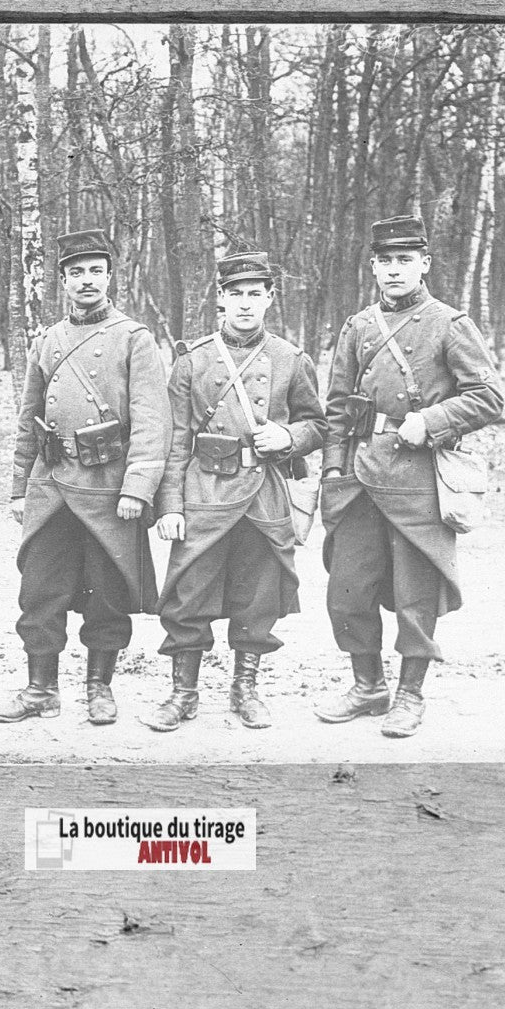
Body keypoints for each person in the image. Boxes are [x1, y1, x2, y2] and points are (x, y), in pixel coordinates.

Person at [314, 214, 505, 737]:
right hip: (357, 480)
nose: (394, 270)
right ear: (373, 267)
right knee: (347, 591)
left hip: (418, 479)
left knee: (415, 595)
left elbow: (488, 397)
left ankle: (411, 695)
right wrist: (333, 472)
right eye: (385, 261)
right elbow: (336, 409)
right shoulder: (359, 326)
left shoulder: (449, 323)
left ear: (424, 264)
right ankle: (368, 685)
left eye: (405, 260)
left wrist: (432, 421)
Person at [0, 228, 172, 726]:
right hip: (51, 488)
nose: (86, 281)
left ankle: (99, 688)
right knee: (39, 593)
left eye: (95, 271)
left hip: (109, 490)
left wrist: (137, 488)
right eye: (76, 273)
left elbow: (152, 419)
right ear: (62, 281)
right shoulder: (48, 341)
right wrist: (17, 488)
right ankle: (40, 689)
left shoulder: (134, 339)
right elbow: (29, 419)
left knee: (108, 594)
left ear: (110, 276)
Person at [146, 252, 326, 732]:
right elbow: (175, 439)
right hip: (204, 490)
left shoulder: (291, 359)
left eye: (254, 294)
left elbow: (317, 423)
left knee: (258, 595)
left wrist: (289, 438)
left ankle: (245, 688)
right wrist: (169, 505)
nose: (245, 304)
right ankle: (183, 692)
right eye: (235, 294)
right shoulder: (193, 360)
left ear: (269, 298)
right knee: (188, 595)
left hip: (264, 493)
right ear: (220, 299)